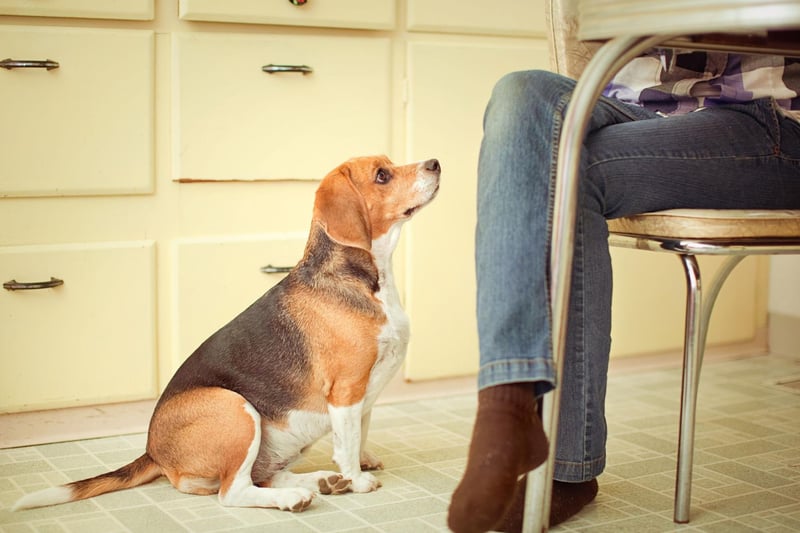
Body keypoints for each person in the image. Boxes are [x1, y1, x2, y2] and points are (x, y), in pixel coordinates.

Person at [447, 50, 800, 533]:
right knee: (521, 91)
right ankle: (505, 407)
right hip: (636, 104)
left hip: (764, 115)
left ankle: (567, 466)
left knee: (570, 170)